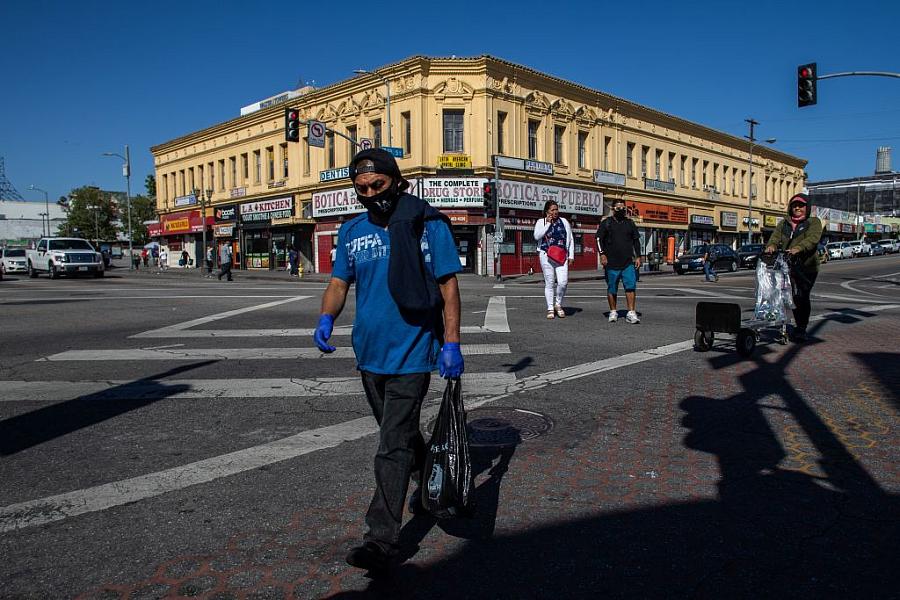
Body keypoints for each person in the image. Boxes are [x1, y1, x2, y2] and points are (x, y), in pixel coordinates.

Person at [313, 148, 463, 573]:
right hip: (370, 353)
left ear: (396, 181)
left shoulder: (426, 223)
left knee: (391, 444)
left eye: (377, 185)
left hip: (414, 350)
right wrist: (327, 316)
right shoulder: (351, 229)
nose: (370, 194)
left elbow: (448, 285)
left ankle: (381, 538)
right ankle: (431, 477)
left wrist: (451, 342)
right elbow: (340, 281)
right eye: (361, 189)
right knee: (400, 433)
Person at [765, 193, 823, 342]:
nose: (797, 208)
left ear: (807, 207)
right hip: (787, 265)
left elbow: (813, 239)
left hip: (807, 267)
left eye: (801, 205)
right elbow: (775, 238)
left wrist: (799, 248)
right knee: (781, 295)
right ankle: (781, 323)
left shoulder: (813, 222)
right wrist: (771, 246)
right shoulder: (784, 222)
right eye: (794, 205)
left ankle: (801, 327)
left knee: (801, 297)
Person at [597, 199, 642, 324]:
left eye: (623, 208)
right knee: (612, 288)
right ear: (613, 209)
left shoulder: (630, 223)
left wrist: (638, 256)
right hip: (611, 262)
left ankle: (631, 312)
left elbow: (636, 240)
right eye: (618, 208)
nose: (621, 210)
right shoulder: (607, 223)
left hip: (628, 262)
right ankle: (613, 311)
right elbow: (598, 239)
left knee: (630, 287)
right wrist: (602, 255)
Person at [533, 200, 574, 319]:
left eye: (556, 209)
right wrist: (548, 224)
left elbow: (570, 239)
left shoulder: (564, 222)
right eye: (552, 210)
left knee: (563, 282)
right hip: (546, 255)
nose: (555, 212)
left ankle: (558, 304)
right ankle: (550, 308)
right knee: (549, 282)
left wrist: (571, 255)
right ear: (547, 211)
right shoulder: (541, 222)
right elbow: (537, 236)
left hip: (561, 255)